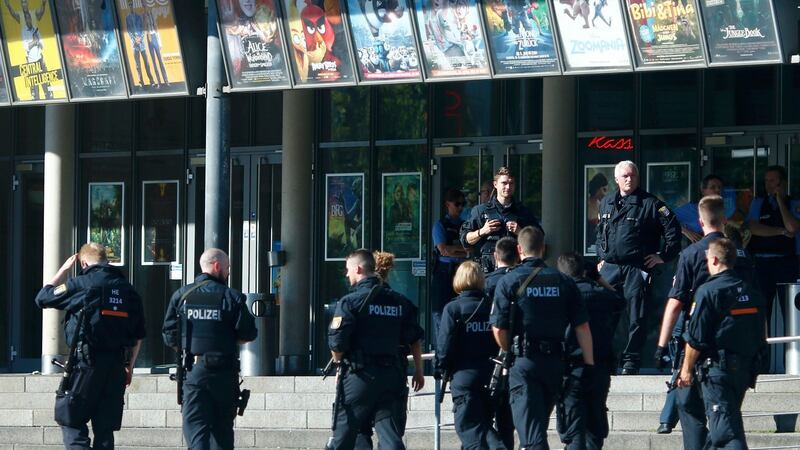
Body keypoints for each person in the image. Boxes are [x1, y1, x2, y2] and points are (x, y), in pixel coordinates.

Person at [490, 226, 594, 450]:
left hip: (524, 363)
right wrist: (589, 364)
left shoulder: (509, 281)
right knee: (538, 428)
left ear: (519, 249)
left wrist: (510, 351)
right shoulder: (564, 281)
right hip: (555, 364)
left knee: (532, 437)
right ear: (544, 248)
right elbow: (582, 327)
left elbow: (499, 329)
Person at [35, 243, 145, 450]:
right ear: (107, 261)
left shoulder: (81, 284)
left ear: (83, 263)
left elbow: (42, 298)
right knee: (105, 430)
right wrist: (129, 367)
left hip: (86, 366)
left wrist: (64, 270)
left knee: (71, 420)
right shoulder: (129, 290)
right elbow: (138, 336)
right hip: (115, 368)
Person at [653, 195, 732, 445]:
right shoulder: (739, 253)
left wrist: (660, 346)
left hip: (695, 338)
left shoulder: (691, 253)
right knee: (724, 412)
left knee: (689, 405)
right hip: (731, 340)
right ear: (725, 219)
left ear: (699, 222)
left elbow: (676, 302)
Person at [327, 249, 424, 450]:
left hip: (360, 377)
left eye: (348, 270)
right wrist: (419, 371)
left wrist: (338, 364)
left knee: (342, 437)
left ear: (358, 268)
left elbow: (337, 343)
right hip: (391, 376)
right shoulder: (399, 301)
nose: (346, 274)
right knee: (389, 435)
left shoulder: (349, 302)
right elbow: (414, 337)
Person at [162, 248, 257, 449]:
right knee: (222, 434)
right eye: (228, 268)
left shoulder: (182, 295)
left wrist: (189, 346)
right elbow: (248, 334)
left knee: (196, 432)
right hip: (224, 374)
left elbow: (169, 334)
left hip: (194, 372)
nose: (229, 273)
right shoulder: (233, 297)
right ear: (217, 266)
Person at [677, 238, 766, 450]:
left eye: (708, 260)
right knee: (727, 421)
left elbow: (695, 337)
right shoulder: (751, 291)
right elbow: (759, 332)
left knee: (724, 432)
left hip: (717, 369)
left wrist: (686, 370)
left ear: (715, 259)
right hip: (743, 368)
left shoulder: (708, 291)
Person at [596, 160, 681, 375]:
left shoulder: (650, 204)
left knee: (636, 317)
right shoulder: (606, 202)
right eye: (624, 176)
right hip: (611, 268)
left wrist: (663, 256)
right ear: (616, 179)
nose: (628, 179)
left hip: (636, 267)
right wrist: (601, 257)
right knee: (605, 315)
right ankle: (606, 358)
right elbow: (600, 233)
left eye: (632, 175)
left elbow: (673, 229)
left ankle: (630, 362)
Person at [556, 252, 624, 450]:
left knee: (574, 427)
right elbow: (620, 301)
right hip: (600, 366)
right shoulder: (601, 295)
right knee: (595, 425)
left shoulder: (560, 296)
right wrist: (599, 278)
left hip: (570, 366)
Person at [435, 261, 505, 450]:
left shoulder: (453, 309)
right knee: (482, 425)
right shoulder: (492, 306)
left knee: (470, 430)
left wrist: (440, 367)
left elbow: (444, 345)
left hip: (464, 376)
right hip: (491, 375)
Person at [746, 165, 800, 331]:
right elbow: (754, 228)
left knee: (791, 311)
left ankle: (794, 354)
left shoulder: (794, 203)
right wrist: (781, 231)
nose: (769, 184)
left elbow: (793, 227)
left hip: (788, 264)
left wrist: (779, 200)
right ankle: (763, 355)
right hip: (762, 264)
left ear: (782, 182)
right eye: (766, 181)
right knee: (762, 312)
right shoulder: (758, 202)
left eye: (773, 180)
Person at [461, 167, 542, 274]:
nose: (508, 187)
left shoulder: (523, 212)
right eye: (504, 183)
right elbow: (465, 240)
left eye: (511, 183)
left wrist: (520, 232)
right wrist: (482, 231)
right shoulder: (480, 211)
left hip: (516, 271)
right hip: (487, 272)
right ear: (495, 184)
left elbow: (539, 241)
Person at [431, 188, 469, 341]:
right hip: (444, 272)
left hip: (461, 272)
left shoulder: (465, 226)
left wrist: (458, 250)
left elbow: (470, 249)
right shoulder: (440, 225)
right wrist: (462, 251)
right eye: (457, 204)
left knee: (462, 310)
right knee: (440, 312)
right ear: (448, 204)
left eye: (463, 204)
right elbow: (443, 250)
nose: (460, 208)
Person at [3, 0, 52, 99]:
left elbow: (41, 12)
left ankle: (49, 97)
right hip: (31, 61)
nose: (28, 20)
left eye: (25, 2)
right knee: (35, 86)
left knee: (45, 84)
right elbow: (26, 46)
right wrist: (7, 4)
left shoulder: (34, 18)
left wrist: (44, 3)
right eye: (22, 2)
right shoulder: (21, 20)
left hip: (40, 59)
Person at [673, 174, 724, 243]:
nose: (718, 190)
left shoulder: (720, 211)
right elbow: (663, 216)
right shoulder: (691, 209)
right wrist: (685, 231)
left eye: (720, 187)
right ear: (703, 191)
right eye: (713, 187)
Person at [124, 0, 154, 87]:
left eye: (131, 4)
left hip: (142, 44)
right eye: (129, 5)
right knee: (138, 65)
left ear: (133, 5)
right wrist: (134, 40)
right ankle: (141, 82)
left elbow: (143, 28)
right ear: (128, 6)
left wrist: (140, 38)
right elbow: (129, 31)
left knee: (146, 63)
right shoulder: (127, 18)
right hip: (134, 45)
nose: (130, 6)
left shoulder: (138, 16)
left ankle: (151, 81)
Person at [144, 7, 168, 87]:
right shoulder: (143, 16)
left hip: (154, 36)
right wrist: (145, 22)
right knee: (154, 63)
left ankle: (166, 81)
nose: (145, 6)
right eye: (143, 4)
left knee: (160, 60)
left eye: (145, 3)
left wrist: (160, 42)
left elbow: (156, 27)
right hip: (149, 38)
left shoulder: (152, 14)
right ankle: (159, 82)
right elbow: (144, 29)